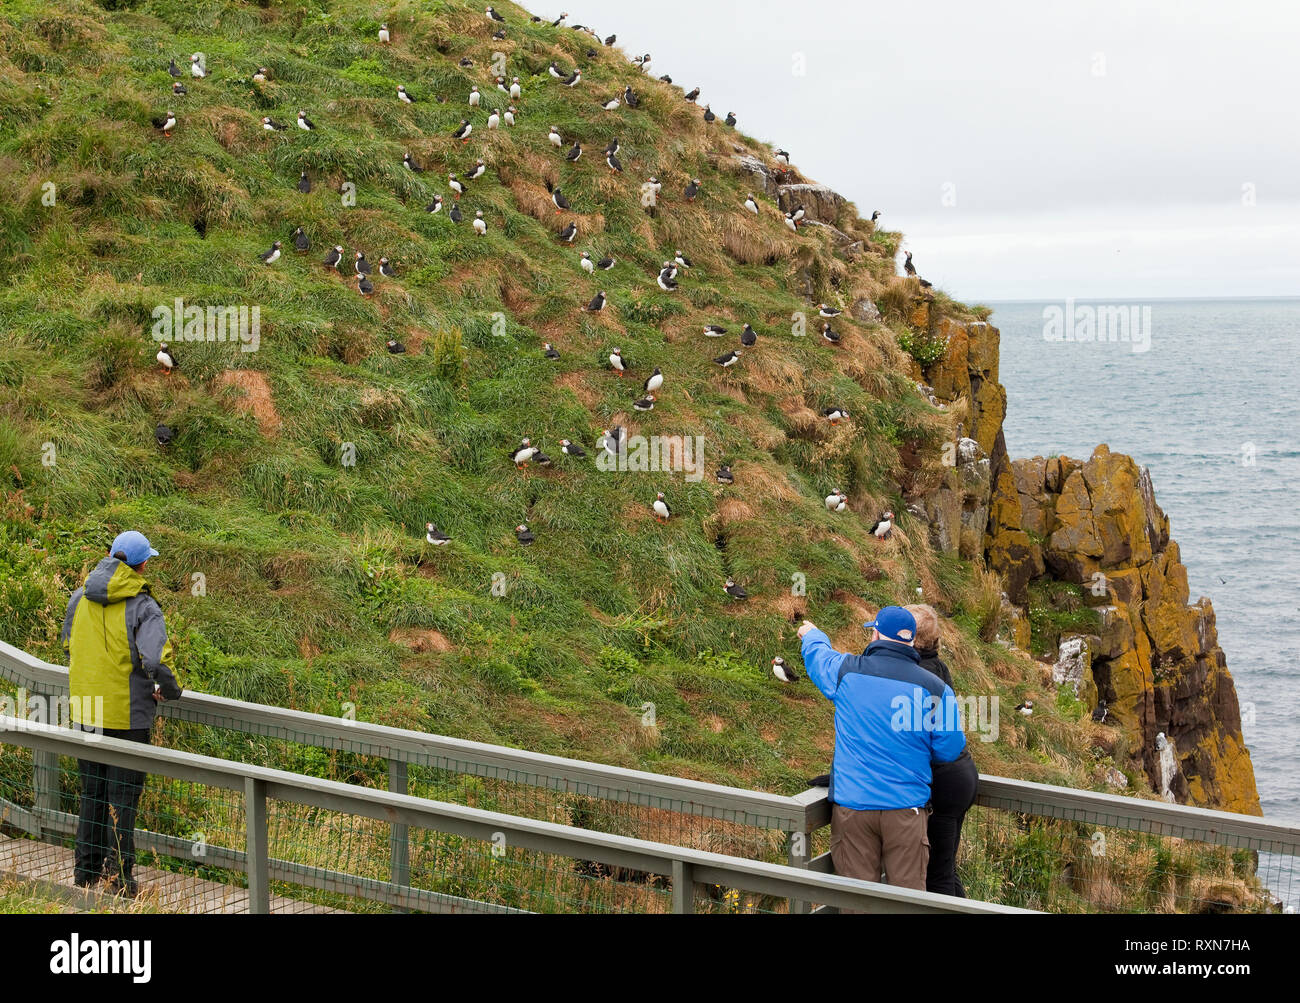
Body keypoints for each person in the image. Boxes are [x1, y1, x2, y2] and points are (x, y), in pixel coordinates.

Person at [798, 606, 965, 892]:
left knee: (858, 902)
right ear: (912, 641)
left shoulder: (846, 671)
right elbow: (949, 751)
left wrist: (812, 635)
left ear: (875, 634)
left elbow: (819, 658)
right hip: (906, 810)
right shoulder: (937, 689)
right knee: (906, 903)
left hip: (854, 808)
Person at [61, 531, 182, 897]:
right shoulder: (144, 606)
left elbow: (69, 645)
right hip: (128, 717)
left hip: (87, 713)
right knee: (123, 800)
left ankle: (85, 874)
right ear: (143, 564)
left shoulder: (80, 597)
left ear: (110, 555)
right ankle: (120, 879)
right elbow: (155, 659)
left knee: (92, 794)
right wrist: (171, 690)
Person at [906, 603, 980, 897]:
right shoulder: (936, 666)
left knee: (937, 874)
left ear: (911, 637)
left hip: (944, 781)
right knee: (943, 868)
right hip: (959, 776)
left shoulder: (919, 673)